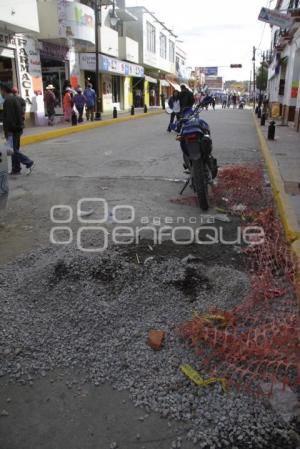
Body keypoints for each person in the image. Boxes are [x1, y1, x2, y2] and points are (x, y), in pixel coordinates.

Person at [0, 83, 34, 175]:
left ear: (3, 90)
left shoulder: (8, 100)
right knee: (14, 149)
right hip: (17, 129)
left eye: (1, 91)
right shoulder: (15, 98)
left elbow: (10, 118)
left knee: (12, 150)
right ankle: (16, 168)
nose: (0, 93)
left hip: (12, 130)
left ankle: (28, 162)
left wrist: (9, 131)